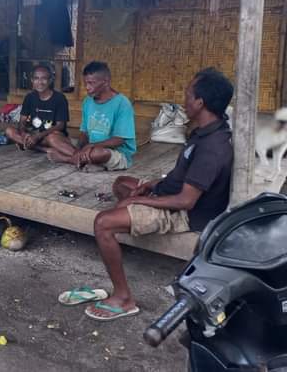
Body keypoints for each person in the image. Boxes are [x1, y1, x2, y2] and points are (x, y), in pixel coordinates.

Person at [63, 68, 234, 321]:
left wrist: (140, 199)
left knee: (103, 223)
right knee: (122, 183)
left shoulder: (213, 148)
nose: (183, 99)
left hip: (184, 213)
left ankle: (123, 298)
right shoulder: (204, 131)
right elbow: (182, 176)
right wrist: (152, 184)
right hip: (172, 192)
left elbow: (186, 201)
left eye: (188, 94)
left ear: (200, 102)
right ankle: (131, 221)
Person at [45, 61, 136, 170]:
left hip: (115, 152)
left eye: (91, 83)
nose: (87, 87)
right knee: (53, 137)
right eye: (85, 83)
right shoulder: (88, 101)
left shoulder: (122, 103)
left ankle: (66, 159)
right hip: (90, 147)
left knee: (99, 153)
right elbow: (85, 132)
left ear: (106, 81)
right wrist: (79, 149)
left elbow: (119, 140)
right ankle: (82, 159)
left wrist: (92, 146)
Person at [5, 65, 69, 151]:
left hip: (50, 135)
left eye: (44, 78)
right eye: (36, 78)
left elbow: (60, 125)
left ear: (50, 80)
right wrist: (24, 133)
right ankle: (42, 149)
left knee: (53, 138)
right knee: (9, 131)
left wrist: (39, 136)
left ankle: (28, 145)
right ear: (32, 80)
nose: (40, 82)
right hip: (34, 134)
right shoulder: (30, 97)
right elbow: (22, 121)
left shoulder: (59, 98)